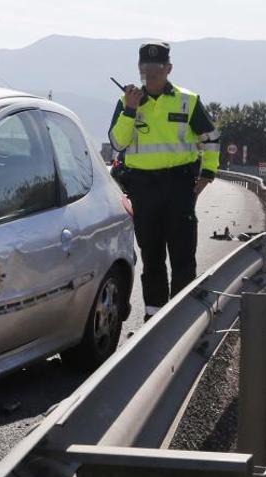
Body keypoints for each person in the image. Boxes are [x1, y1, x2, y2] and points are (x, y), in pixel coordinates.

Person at [108, 41, 220, 322]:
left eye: (157, 69)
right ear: (139, 69)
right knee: (152, 256)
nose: (151, 74)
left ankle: (181, 318)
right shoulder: (126, 102)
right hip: (143, 188)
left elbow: (211, 138)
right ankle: (154, 319)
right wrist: (131, 111)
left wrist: (207, 174)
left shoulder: (188, 100)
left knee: (183, 254)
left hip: (179, 185)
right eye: (146, 69)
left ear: (168, 68)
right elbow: (117, 142)